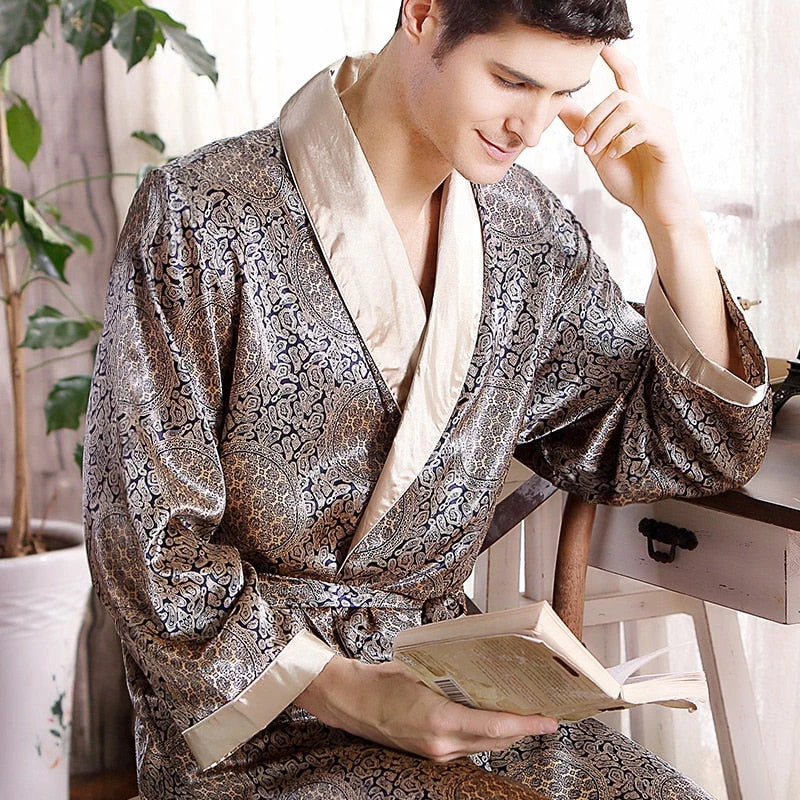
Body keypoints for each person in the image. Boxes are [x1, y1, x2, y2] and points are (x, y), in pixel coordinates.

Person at [83, 1, 771, 798]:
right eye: (512, 80)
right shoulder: (201, 215)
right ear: (422, 13)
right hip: (258, 717)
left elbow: (690, 446)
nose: (531, 128)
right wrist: (356, 695)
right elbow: (145, 541)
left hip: (456, 693)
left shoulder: (528, 234)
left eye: (562, 94)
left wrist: (672, 221)